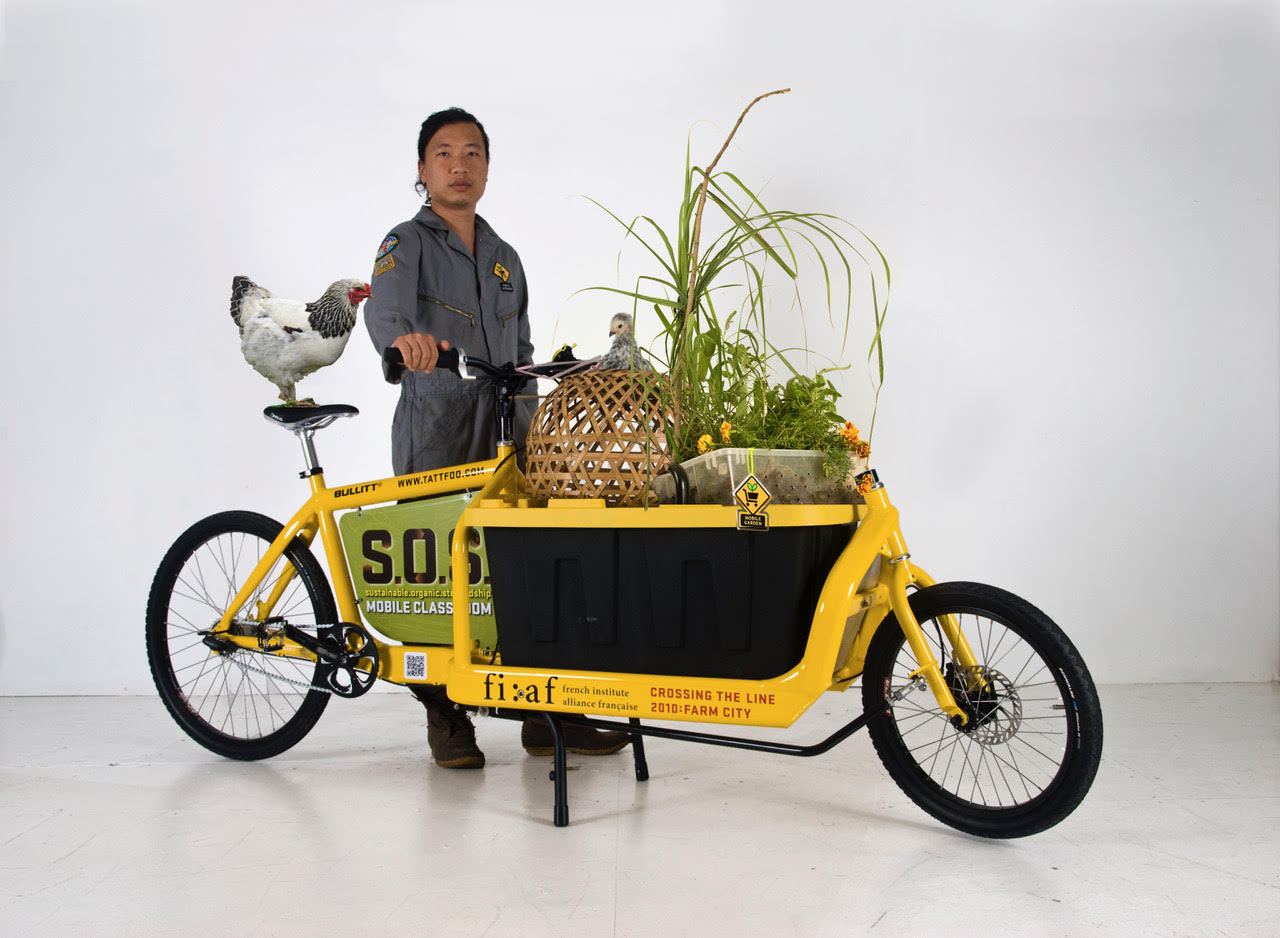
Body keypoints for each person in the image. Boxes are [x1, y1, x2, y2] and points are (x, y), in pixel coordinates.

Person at [363, 107, 629, 769]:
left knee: (529, 564)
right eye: (445, 153)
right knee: (441, 570)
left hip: (510, 427)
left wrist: (539, 430)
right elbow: (386, 310)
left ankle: (548, 714)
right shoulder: (406, 243)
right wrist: (406, 344)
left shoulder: (505, 259)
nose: (460, 165)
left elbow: (526, 347)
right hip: (438, 422)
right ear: (422, 170)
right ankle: (446, 718)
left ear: (486, 167)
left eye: (473, 153)